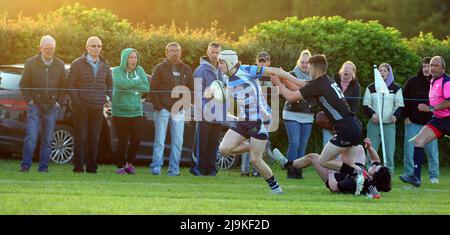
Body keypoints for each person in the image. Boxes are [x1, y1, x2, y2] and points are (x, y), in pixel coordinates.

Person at [270, 54, 366, 192]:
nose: (308, 70)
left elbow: (291, 97)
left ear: (315, 68)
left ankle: (358, 173)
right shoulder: (326, 80)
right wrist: (283, 76)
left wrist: (278, 83)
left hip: (345, 129)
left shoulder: (319, 84)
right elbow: (300, 83)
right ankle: (370, 188)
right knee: (347, 165)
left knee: (324, 161)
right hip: (354, 126)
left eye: (310, 67)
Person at [214, 50, 297, 194]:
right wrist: (215, 92)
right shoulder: (226, 78)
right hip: (243, 119)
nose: (219, 66)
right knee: (224, 149)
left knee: (254, 160)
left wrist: (299, 82)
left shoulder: (247, 70)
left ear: (230, 62)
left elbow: (275, 71)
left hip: (260, 119)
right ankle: (257, 146)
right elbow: (228, 96)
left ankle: (276, 188)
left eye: (221, 63)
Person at [273, 138, 391, 196]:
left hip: (336, 178)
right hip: (355, 171)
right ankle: (341, 153)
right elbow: (376, 160)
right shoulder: (373, 178)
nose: (375, 165)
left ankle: (287, 164)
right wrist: (369, 148)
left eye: (376, 168)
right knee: (359, 148)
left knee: (313, 157)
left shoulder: (357, 183)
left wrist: (330, 170)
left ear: (373, 175)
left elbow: (334, 188)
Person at [400, 56, 449, 187]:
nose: (432, 68)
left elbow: (449, 102)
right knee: (418, 141)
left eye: (435, 65)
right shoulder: (433, 81)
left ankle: (433, 176)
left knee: (430, 150)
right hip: (438, 120)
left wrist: (430, 108)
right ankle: (416, 178)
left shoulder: (447, 81)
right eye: (431, 65)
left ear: (443, 67)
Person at [19, 35, 66, 172]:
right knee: (31, 137)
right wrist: (30, 101)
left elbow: (64, 87)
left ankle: (43, 168)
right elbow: (23, 84)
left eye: (51, 49)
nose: (49, 51)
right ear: (40, 48)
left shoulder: (60, 64)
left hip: (52, 106)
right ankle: (25, 166)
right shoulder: (30, 63)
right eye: (46, 49)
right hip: (35, 105)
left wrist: (59, 102)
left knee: (48, 139)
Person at [67, 36, 112, 173]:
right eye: (93, 46)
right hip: (82, 106)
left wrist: (109, 97)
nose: (96, 48)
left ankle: (92, 168)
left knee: (94, 138)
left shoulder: (105, 64)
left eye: (99, 46)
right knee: (81, 137)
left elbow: (110, 84)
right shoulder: (77, 64)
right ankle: (78, 168)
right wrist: (77, 102)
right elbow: (69, 84)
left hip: (98, 106)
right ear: (87, 48)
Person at [150, 42, 193, 176]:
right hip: (162, 110)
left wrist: (184, 107)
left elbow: (191, 90)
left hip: (178, 111)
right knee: (160, 141)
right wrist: (159, 107)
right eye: (171, 50)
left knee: (178, 142)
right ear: (166, 53)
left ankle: (174, 169)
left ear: (181, 53)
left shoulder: (186, 69)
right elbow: (153, 89)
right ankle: (156, 167)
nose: (174, 53)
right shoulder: (160, 68)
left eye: (177, 50)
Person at [111, 48, 150, 174]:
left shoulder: (140, 70)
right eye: (131, 57)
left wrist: (131, 84)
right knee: (122, 140)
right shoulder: (116, 71)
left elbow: (146, 87)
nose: (134, 60)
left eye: (135, 57)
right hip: (120, 112)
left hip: (136, 112)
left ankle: (129, 163)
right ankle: (119, 167)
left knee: (136, 139)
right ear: (125, 58)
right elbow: (122, 84)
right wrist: (137, 82)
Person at [363, 63, 404, 173]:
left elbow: (400, 105)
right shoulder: (371, 88)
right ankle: (369, 171)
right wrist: (372, 114)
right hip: (374, 124)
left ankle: (389, 172)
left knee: (389, 151)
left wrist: (395, 115)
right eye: (380, 70)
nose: (382, 72)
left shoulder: (396, 88)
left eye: (385, 70)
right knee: (371, 149)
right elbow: (366, 104)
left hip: (389, 124)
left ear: (389, 73)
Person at [191, 42, 223, 176]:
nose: (215, 55)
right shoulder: (201, 70)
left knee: (214, 143)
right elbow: (196, 93)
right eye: (212, 52)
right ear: (207, 52)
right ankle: (199, 168)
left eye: (217, 53)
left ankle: (211, 169)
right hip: (204, 113)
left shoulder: (222, 69)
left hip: (219, 114)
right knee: (202, 144)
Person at [283, 49, 314, 179]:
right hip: (291, 114)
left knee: (303, 145)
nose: (305, 64)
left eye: (307, 62)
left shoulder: (315, 77)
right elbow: (293, 92)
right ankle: (291, 171)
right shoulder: (291, 75)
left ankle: (298, 172)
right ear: (298, 62)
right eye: (302, 62)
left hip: (308, 115)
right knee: (294, 143)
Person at [323, 61, 361, 146]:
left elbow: (355, 107)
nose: (346, 70)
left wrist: (349, 119)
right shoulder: (332, 81)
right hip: (330, 119)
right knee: (327, 144)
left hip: (345, 122)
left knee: (341, 147)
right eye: (344, 68)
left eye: (348, 68)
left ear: (353, 72)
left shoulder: (356, 87)